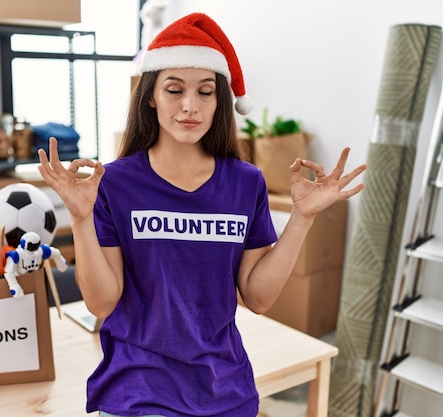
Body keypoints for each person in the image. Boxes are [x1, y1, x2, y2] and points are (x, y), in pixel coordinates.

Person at [38, 12, 366, 417]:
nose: (190, 106)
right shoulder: (115, 182)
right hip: (139, 392)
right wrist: (82, 220)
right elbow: (103, 304)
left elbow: (258, 298)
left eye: (205, 92)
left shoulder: (246, 183)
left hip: (225, 392)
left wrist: (302, 218)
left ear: (219, 100)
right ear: (151, 97)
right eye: (174, 90)